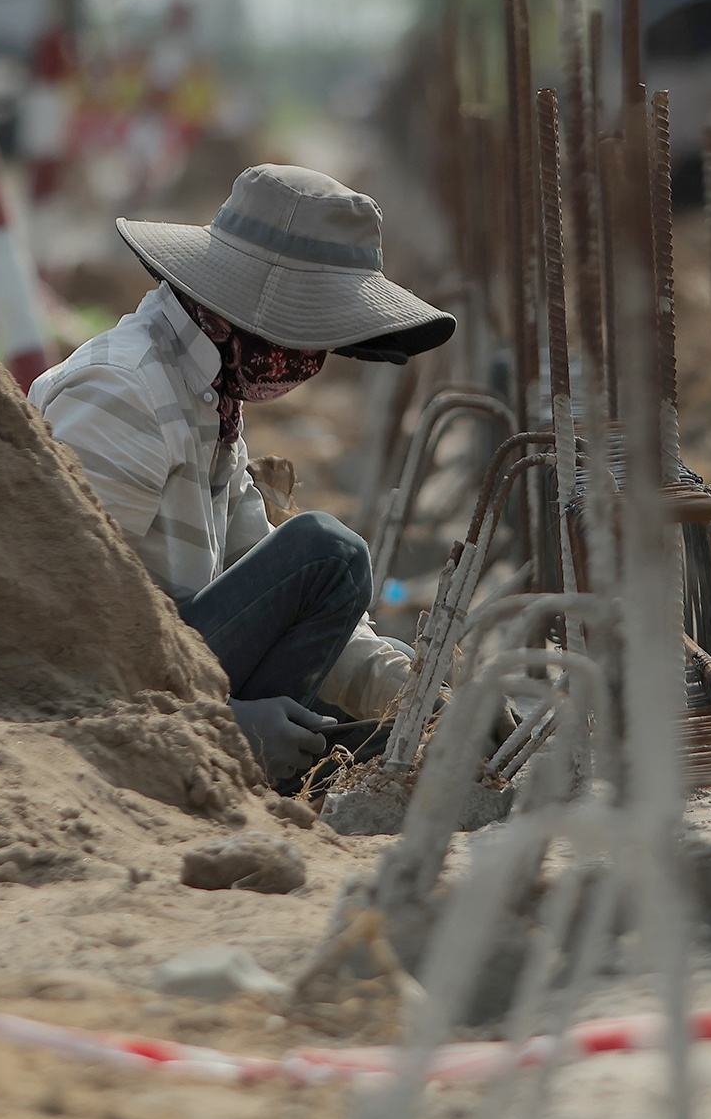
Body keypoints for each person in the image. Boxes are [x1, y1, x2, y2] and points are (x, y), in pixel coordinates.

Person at [29, 164, 455, 785]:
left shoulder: (208, 395)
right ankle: (241, 765)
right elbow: (61, 629)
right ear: (232, 307)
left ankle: (298, 758)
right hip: (116, 691)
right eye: (303, 335)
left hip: (172, 668)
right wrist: (224, 726)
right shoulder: (122, 392)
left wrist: (418, 693)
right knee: (330, 554)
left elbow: (258, 566)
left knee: (332, 580)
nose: (311, 362)